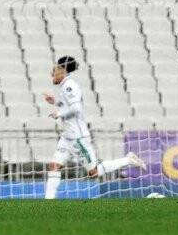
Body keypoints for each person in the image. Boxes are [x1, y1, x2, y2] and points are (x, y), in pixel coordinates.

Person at [43, 55, 145, 199]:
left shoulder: (69, 85)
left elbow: (77, 108)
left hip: (78, 138)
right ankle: (48, 203)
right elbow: (68, 105)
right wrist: (55, 102)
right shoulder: (64, 86)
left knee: (94, 172)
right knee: (54, 166)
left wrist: (59, 112)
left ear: (62, 70)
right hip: (67, 137)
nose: (52, 72)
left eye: (55, 69)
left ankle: (128, 160)